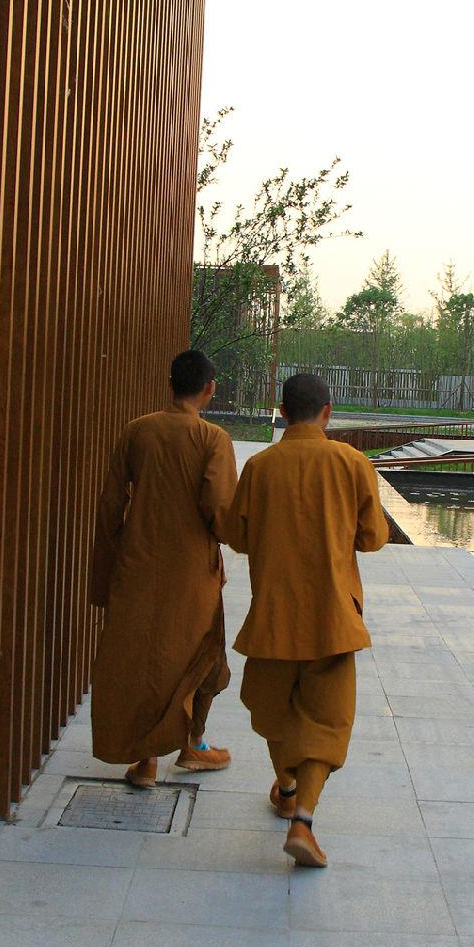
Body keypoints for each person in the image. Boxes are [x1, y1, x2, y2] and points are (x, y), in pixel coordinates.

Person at [219, 371, 390, 866]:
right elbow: (373, 538)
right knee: (327, 720)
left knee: (273, 711)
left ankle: (288, 785)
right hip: (332, 618)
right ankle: (303, 821)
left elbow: (237, 536)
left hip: (272, 617)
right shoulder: (352, 464)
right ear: (328, 412)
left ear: (282, 411)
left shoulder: (260, 468)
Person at [89, 349, 238, 788]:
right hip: (191, 570)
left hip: (139, 563)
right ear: (209, 388)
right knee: (202, 654)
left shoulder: (138, 431)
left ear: (170, 383)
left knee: (141, 661)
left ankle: (146, 760)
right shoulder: (213, 439)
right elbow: (218, 509)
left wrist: (115, 558)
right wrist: (234, 537)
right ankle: (193, 744)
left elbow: (111, 504)